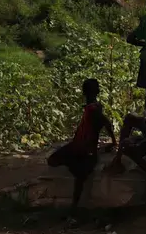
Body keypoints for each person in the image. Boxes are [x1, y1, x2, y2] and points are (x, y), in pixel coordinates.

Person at [47, 78, 117, 212]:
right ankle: (77, 172)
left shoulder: (94, 109)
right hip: (78, 147)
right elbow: (106, 124)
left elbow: (106, 123)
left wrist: (113, 142)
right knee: (55, 161)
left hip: (87, 151)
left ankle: (74, 208)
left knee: (78, 177)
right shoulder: (92, 108)